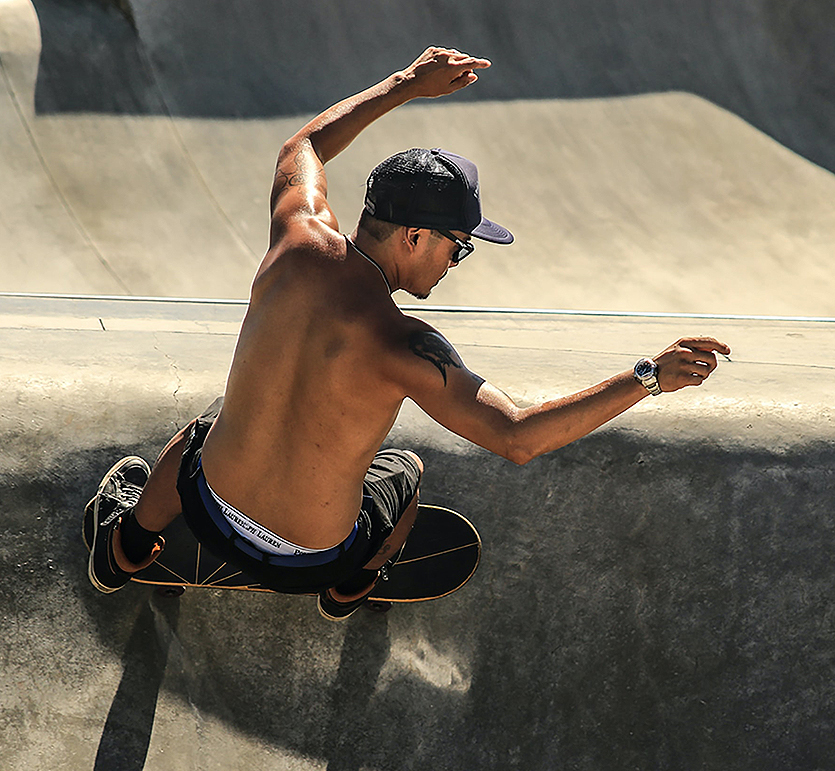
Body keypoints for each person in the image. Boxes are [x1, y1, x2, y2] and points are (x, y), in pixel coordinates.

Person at [85, 46, 730, 618]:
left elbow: (300, 149)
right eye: (458, 247)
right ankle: (351, 591)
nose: (457, 263)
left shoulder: (295, 237)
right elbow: (518, 437)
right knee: (405, 472)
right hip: (313, 560)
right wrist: (649, 376)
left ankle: (124, 549)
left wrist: (405, 85)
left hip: (209, 509)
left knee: (201, 434)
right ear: (414, 236)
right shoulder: (404, 346)